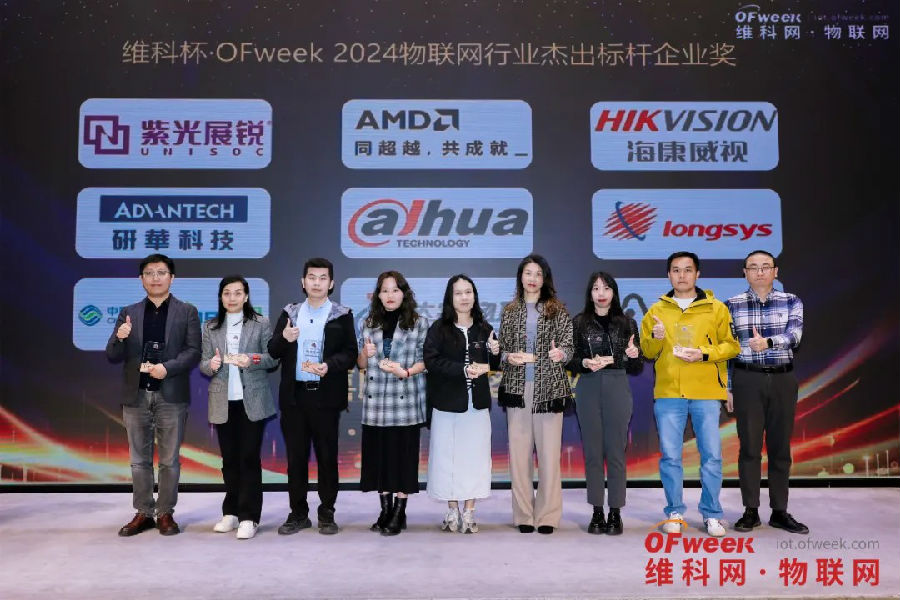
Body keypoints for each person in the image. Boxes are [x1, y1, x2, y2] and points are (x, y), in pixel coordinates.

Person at [640, 251, 739, 538]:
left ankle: (712, 513)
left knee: (712, 456)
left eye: (687, 270)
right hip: (669, 393)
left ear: (697, 274)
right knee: (670, 457)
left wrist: (704, 353)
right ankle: (674, 512)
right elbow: (647, 352)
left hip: (706, 393)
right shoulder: (656, 310)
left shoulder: (716, 308)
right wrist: (656, 338)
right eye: (676, 270)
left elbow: (731, 346)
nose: (681, 275)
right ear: (668, 275)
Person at [105, 253, 201, 537]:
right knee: (139, 460)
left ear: (172, 278)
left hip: (170, 394)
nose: (155, 278)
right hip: (136, 395)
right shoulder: (128, 312)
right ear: (141, 279)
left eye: (161, 273)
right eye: (149, 273)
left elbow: (193, 351)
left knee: (169, 460)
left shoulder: (187, 311)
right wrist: (120, 336)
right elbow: (113, 354)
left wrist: (167, 369)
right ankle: (143, 512)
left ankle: (165, 512)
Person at [268, 258, 357, 535]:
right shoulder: (290, 313)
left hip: (326, 398)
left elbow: (350, 353)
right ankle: (298, 513)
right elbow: (273, 351)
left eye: (322, 278)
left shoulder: (341, 314)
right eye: (312, 277)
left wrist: (329, 365)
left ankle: (327, 513)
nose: (317, 283)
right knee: (295, 459)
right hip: (294, 398)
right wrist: (284, 338)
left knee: (327, 458)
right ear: (303, 282)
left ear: (331, 283)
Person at [726, 250, 808, 534]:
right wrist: (728, 388)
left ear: (775, 271)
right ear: (745, 273)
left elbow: (795, 336)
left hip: (783, 379)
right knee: (749, 448)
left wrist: (769, 342)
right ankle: (750, 511)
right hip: (747, 379)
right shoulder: (731, 305)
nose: (759, 272)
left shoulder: (792, 301)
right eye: (753, 267)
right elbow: (727, 351)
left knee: (780, 448)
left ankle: (779, 511)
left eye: (765, 267)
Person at [498, 254, 573, 535]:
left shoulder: (557, 310)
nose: (532, 279)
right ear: (521, 277)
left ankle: (548, 516)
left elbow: (569, 347)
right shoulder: (510, 311)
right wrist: (507, 356)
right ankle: (524, 515)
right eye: (528, 273)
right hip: (518, 389)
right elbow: (502, 348)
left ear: (545, 279)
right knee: (519, 457)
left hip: (549, 389)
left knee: (549, 456)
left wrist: (561, 354)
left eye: (538, 274)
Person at [199, 275, 278, 540]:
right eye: (227, 293)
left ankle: (249, 517)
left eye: (237, 293)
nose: (232, 298)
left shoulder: (261, 323)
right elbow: (203, 363)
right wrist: (211, 365)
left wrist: (251, 359)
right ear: (221, 297)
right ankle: (230, 512)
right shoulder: (210, 327)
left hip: (252, 400)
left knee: (248, 458)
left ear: (246, 296)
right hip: (223, 401)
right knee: (230, 460)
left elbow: (272, 359)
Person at [424, 275, 500, 534]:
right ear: (450, 297)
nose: (464, 297)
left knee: (475, 458)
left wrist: (495, 351)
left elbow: (494, 365)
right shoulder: (439, 328)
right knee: (446, 458)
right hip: (447, 404)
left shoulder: (484, 328)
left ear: (474, 296)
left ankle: (469, 512)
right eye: (458, 293)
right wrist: (463, 369)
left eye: (468, 292)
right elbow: (432, 361)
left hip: (476, 405)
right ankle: (452, 510)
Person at [568, 271, 642, 535]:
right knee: (592, 452)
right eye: (596, 288)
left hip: (617, 386)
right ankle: (597, 511)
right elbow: (570, 359)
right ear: (590, 293)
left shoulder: (627, 323)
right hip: (588, 387)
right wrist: (584, 363)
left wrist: (633, 355)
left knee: (616, 452)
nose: (601, 293)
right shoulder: (579, 322)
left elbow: (636, 366)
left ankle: (615, 512)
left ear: (614, 292)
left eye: (606, 288)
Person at [357, 271, 429, 536]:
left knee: (403, 459)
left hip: (404, 400)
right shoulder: (368, 323)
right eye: (385, 290)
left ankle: (399, 512)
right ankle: (385, 510)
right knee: (380, 459)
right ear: (378, 295)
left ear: (404, 293)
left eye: (395, 290)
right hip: (376, 402)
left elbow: (426, 361)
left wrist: (406, 371)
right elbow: (361, 364)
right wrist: (364, 353)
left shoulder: (419, 323)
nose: (390, 295)